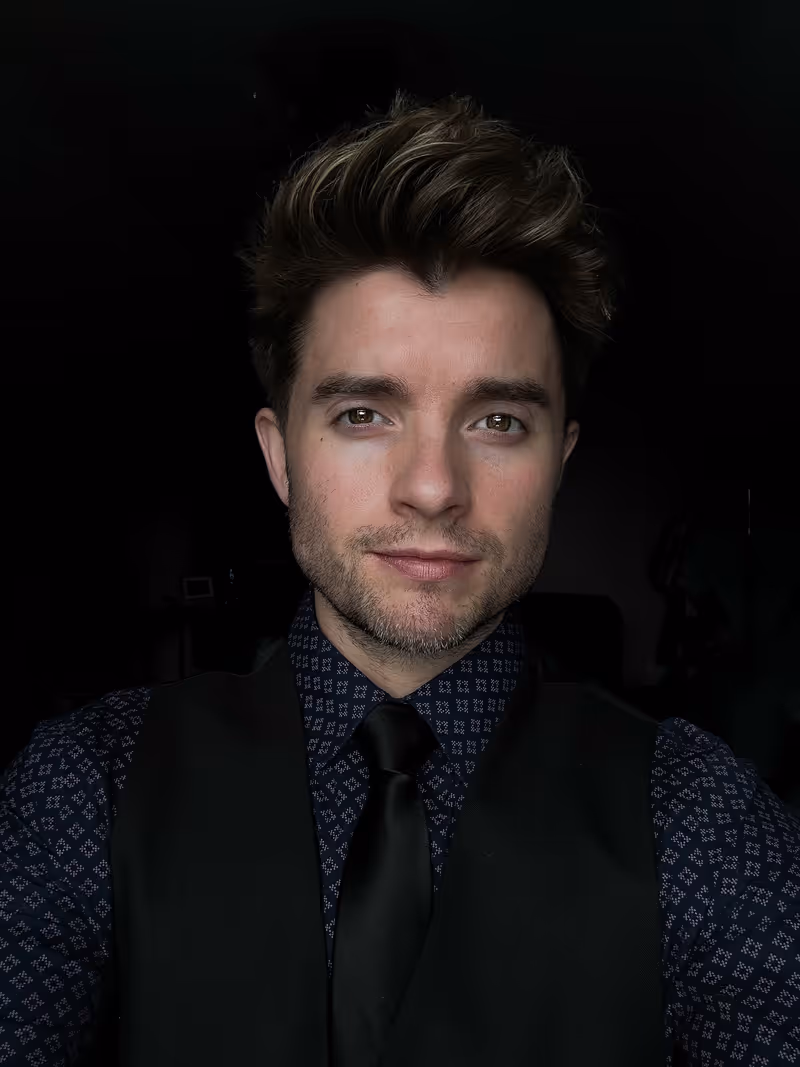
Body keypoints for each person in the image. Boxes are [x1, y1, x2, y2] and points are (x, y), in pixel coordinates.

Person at [1, 91, 798, 1067]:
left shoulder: (695, 811)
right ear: (279, 456)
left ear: (557, 460)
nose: (432, 487)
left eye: (497, 421)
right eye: (363, 414)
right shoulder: (90, 783)